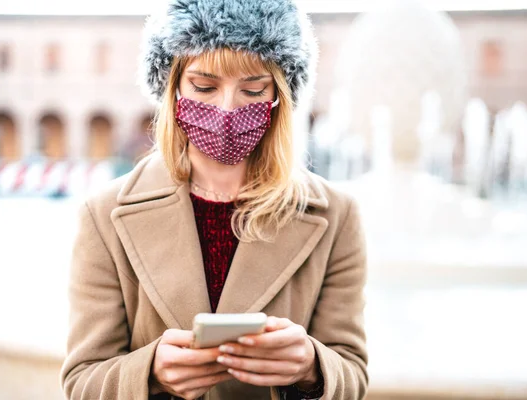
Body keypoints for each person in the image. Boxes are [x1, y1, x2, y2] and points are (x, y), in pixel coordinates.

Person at [59, 0, 368, 399]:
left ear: (279, 97)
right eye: (204, 87)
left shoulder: (337, 215)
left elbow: (353, 373)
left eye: (253, 89)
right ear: (172, 88)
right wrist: (150, 372)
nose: (226, 108)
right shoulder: (103, 215)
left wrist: (311, 366)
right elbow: (81, 381)